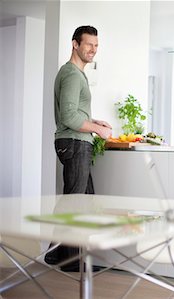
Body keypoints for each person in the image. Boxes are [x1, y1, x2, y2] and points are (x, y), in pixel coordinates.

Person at [45, 25, 112, 271]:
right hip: (74, 143)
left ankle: (56, 253)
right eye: (88, 44)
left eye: (96, 45)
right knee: (76, 202)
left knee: (80, 200)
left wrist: (95, 122)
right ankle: (72, 260)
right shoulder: (72, 74)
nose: (93, 49)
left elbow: (75, 114)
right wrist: (97, 130)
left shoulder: (74, 73)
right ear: (75, 44)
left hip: (74, 142)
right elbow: (69, 117)